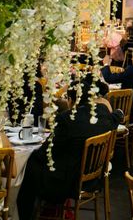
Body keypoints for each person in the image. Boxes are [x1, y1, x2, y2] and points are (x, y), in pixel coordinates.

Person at [17, 79, 121, 219]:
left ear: (71, 100)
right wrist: (119, 113)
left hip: (69, 181)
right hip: (95, 176)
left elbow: (45, 153)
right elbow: (116, 117)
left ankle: (24, 215)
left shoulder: (66, 119)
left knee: (30, 165)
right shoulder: (103, 112)